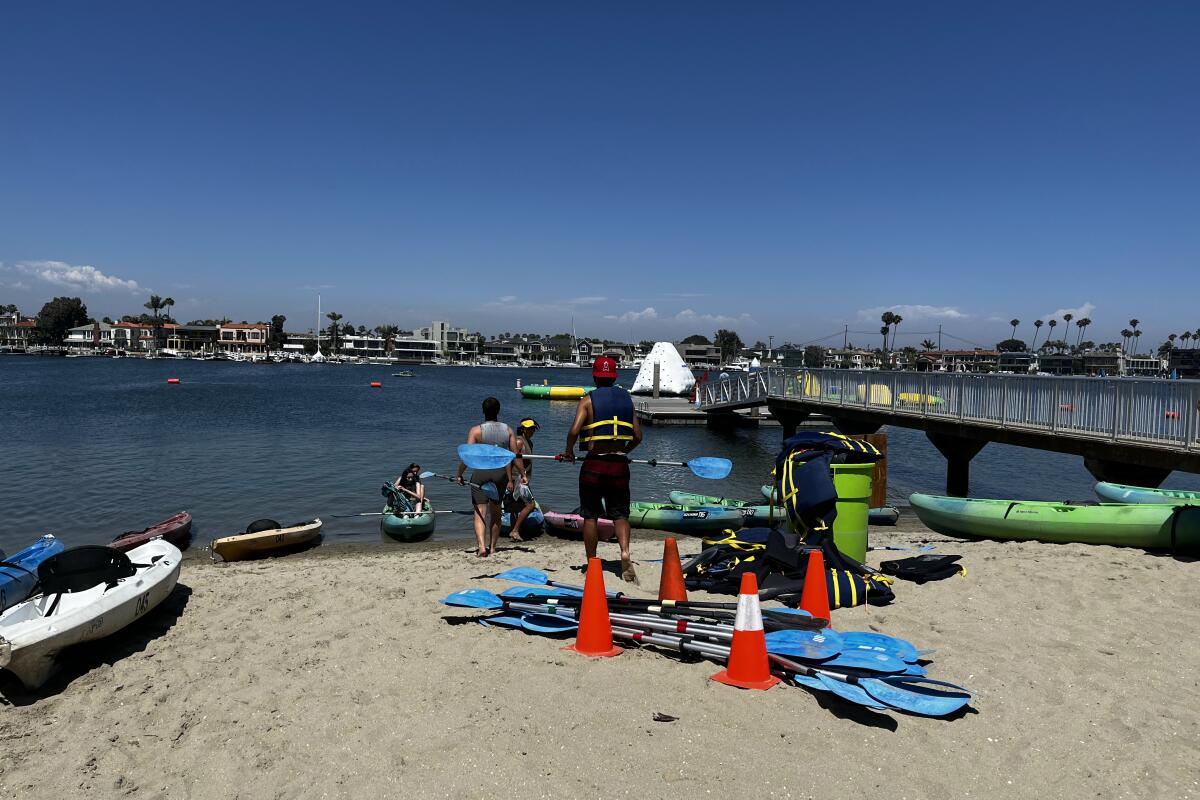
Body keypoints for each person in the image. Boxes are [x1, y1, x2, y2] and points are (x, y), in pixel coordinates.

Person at [561, 356, 642, 582]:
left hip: (594, 464)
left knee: (590, 515)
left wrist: (569, 451)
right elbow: (638, 436)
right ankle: (624, 553)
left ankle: (593, 562)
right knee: (621, 514)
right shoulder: (627, 400)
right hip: (619, 465)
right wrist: (625, 451)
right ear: (615, 376)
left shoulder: (588, 400)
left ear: (595, 376)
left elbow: (574, 430)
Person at [456, 397, 517, 557]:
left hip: (480, 473)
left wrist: (459, 474)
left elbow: (467, 456)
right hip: (500, 474)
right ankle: (493, 548)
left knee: (480, 512)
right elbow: (514, 456)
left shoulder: (476, 431)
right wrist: (521, 475)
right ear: (499, 411)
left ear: (483, 411)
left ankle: (482, 547)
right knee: (496, 513)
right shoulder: (508, 430)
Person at [506, 418, 539, 542]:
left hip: (524, 478)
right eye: (530, 429)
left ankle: (514, 532)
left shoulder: (529, 443)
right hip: (516, 479)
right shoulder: (519, 441)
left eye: (533, 429)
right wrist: (509, 480)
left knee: (515, 506)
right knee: (531, 505)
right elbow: (509, 461)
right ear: (523, 429)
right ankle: (515, 530)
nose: (532, 431)